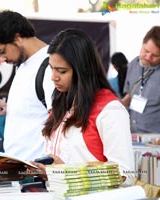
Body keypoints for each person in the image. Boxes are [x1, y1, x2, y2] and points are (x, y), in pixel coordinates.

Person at [31, 29, 134, 186]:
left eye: (62, 71)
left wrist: (68, 172)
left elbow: (126, 174)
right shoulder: (60, 101)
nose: (53, 77)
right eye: (51, 68)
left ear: (83, 70)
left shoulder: (111, 109)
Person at [0, 10, 55, 160]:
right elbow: (35, 111)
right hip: (19, 166)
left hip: (38, 168)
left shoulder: (50, 66)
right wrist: (8, 109)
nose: (2, 59)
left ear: (18, 37)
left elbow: (60, 121)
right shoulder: (22, 64)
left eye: (2, 51)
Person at [122, 26, 160, 133]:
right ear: (142, 43)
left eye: (155, 55)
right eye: (146, 51)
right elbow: (130, 94)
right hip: (133, 134)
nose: (148, 57)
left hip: (156, 140)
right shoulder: (133, 64)